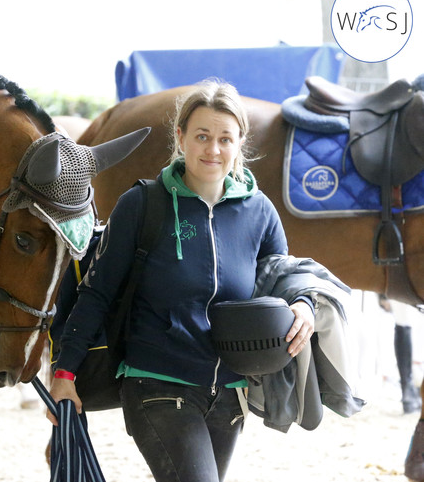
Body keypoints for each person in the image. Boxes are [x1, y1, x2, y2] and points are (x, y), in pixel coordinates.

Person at [47, 80, 315, 482]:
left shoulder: (260, 211)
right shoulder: (142, 205)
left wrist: (304, 305)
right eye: (202, 136)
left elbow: (285, 277)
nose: (213, 150)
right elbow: (96, 294)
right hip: (157, 384)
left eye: (225, 138)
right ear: (180, 137)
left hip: (230, 393)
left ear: (240, 142)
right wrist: (64, 374)